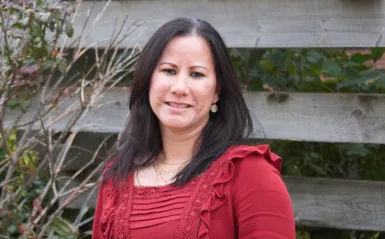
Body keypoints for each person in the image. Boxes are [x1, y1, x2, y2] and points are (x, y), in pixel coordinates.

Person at [92, 17, 295, 239]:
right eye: (169, 70)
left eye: (196, 74)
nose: (179, 88)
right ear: (148, 79)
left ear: (217, 91)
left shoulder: (250, 173)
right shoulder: (117, 175)